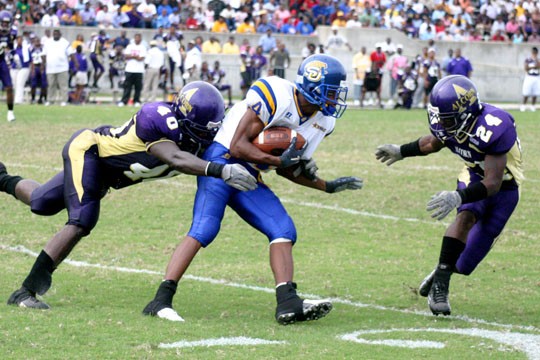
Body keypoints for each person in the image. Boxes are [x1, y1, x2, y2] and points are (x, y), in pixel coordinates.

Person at [142, 54, 363, 324]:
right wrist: (276, 160)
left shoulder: (323, 122)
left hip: (250, 172)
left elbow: (287, 166)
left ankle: (288, 303)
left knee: (283, 229)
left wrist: (325, 186)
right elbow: (238, 146)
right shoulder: (277, 94)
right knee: (205, 228)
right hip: (221, 160)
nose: (335, 99)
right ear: (313, 86)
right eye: (330, 92)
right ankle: (160, 300)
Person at [2, 81, 257, 310]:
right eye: (201, 130)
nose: (206, 136)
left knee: (41, 202)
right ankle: (26, 292)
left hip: (106, 174)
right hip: (90, 151)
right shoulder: (156, 117)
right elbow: (175, 157)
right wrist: (219, 169)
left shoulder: (199, 135)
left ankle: (2, 178)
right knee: (82, 221)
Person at [375, 75, 523, 316]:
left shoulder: (494, 127)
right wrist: (401, 151)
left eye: (446, 118)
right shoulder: (453, 124)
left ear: (465, 113)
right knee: (466, 216)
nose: (441, 123)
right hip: (473, 174)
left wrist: (457, 196)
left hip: (504, 186)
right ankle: (441, 287)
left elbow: (493, 183)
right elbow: (433, 143)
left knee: (465, 264)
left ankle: (441, 271)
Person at [43, 29, 73, 107]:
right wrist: (43, 65)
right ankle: (50, 100)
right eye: (54, 33)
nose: (56, 35)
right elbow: (43, 54)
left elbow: (71, 54)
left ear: (60, 34)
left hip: (62, 67)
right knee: (51, 85)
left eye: (57, 33)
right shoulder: (48, 42)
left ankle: (64, 100)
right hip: (50, 68)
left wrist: (75, 64)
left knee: (63, 85)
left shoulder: (65, 42)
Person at [119, 33, 146, 107]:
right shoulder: (130, 46)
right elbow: (126, 56)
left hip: (139, 70)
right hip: (129, 69)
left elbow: (141, 58)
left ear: (140, 39)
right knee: (127, 86)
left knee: (138, 87)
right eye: (136, 38)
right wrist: (135, 56)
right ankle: (124, 101)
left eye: (138, 38)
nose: (137, 39)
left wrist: (132, 56)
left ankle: (136, 100)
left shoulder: (142, 47)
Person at [0, 10, 16, 121]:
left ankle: (10, 112)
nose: (5, 25)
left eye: (7, 23)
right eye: (3, 22)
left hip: (1, 61)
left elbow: (11, 48)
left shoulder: (11, 34)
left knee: (9, 87)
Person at [520, 46, 539, 112]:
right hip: (529, 77)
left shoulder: (538, 60)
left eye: (535, 53)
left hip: (536, 77)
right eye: (533, 53)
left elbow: (538, 66)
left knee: (535, 92)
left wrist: (532, 66)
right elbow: (526, 68)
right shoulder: (528, 59)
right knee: (526, 92)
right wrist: (534, 66)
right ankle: (523, 105)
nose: (534, 54)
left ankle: (533, 106)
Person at [29, 38, 47, 104]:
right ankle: (33, 98)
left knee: (44, 85)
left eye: (38, 41)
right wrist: (32, 69)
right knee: (33, 84)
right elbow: (30, 59)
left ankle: (41, 98)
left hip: (41, 67)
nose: (37, 42)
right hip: (34, 66)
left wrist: (43, 66)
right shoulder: (31, 48)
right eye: (36, 41)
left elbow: (45, 57)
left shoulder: (43, 48)